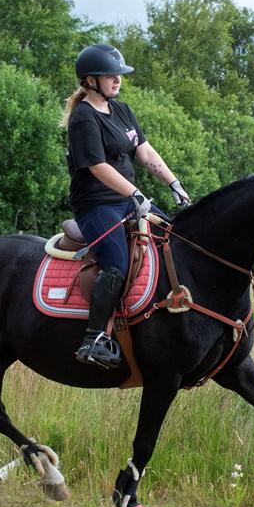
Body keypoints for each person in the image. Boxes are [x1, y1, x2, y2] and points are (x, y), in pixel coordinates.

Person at [62, 44, 192, 369]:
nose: (117, 79)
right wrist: (136, 195)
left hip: (127, 200)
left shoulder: (122, 111)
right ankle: (93, 339)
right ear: (91, 80)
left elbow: (146, 153)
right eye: (110, 74)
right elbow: (97, 167)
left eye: (119, 74)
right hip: (96, 205)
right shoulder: (83, 118)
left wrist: (175, 185)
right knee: (117, 264)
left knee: (175, 239)